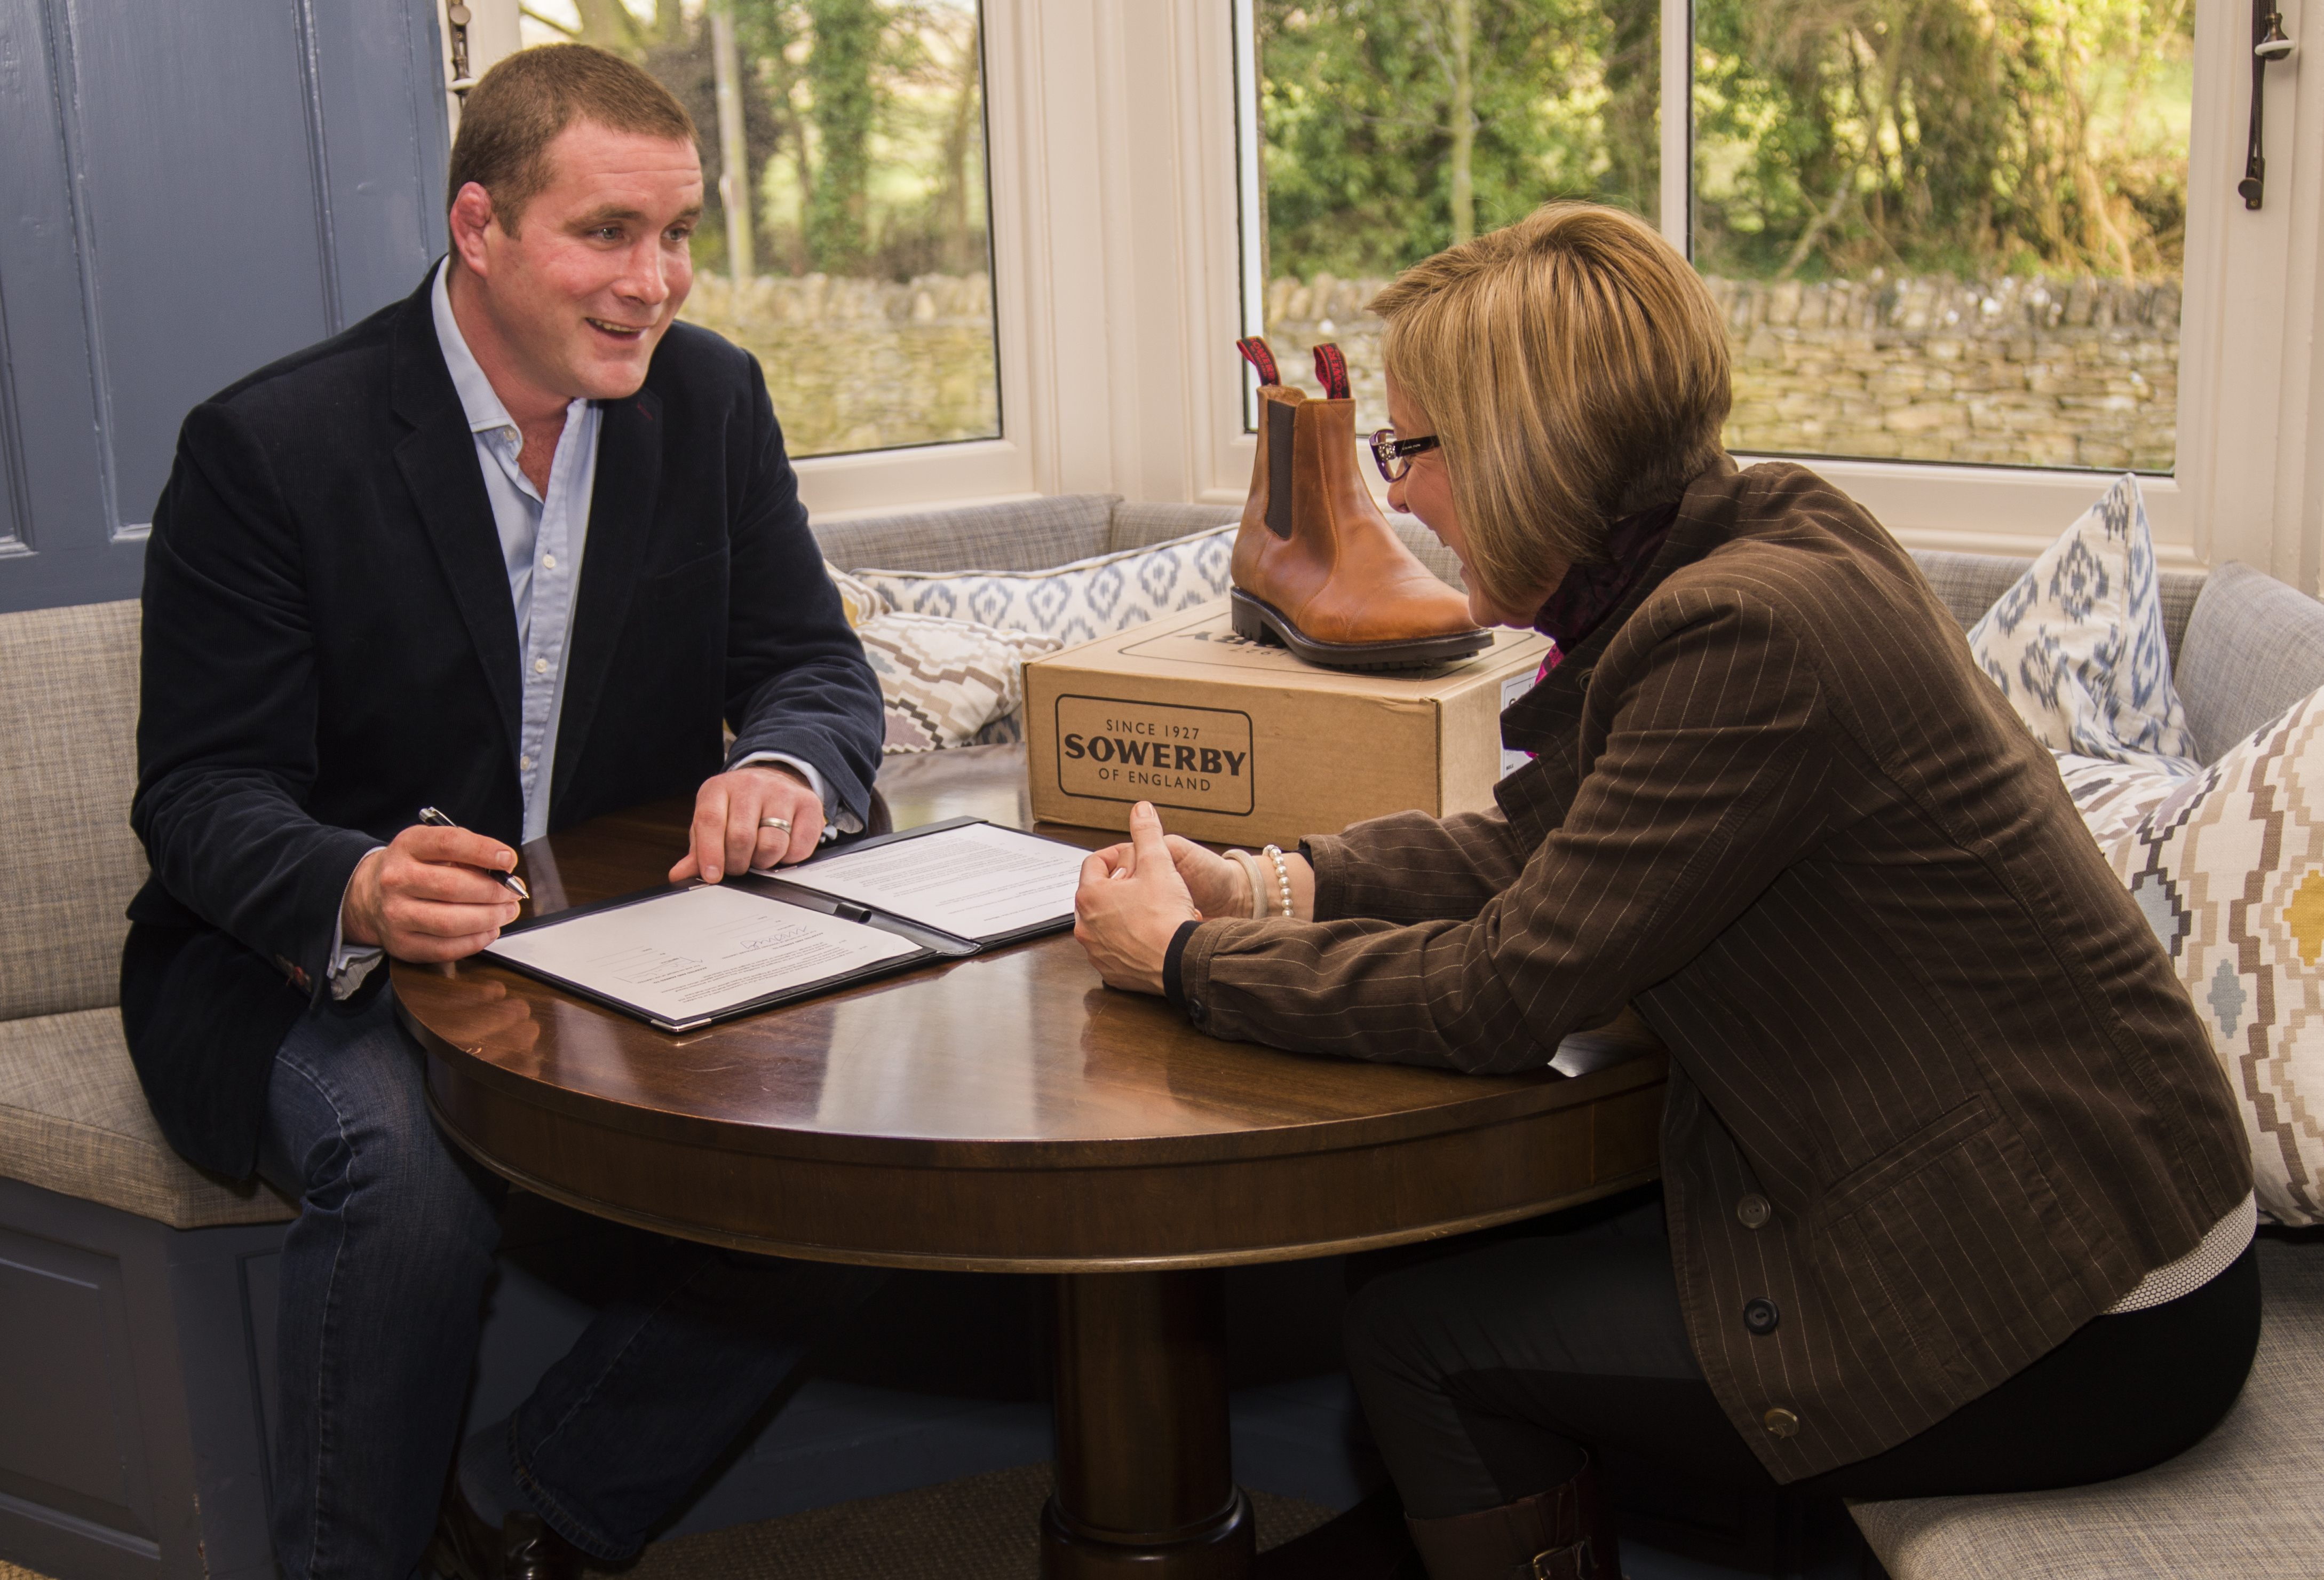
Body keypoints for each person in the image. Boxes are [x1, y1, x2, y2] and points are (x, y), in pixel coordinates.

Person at [1072, 202, 2257, 1580]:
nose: (1396, 495)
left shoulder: (1737, 637)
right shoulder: (1761, 541)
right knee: (1430, 1282)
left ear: (1520, 453)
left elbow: (1501, 990)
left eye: (1411, 451)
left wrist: (1180, 963)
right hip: (2082, 1211)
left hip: (2077, 1298)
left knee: (1422, 1337)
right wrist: (1270, 885)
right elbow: (1549, 850)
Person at [123, 43, 887, 1580]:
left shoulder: (715, 403)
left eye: (677, 233)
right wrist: (353, 886)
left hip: (620, 947)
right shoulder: (270, 445)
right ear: (478, 227)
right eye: (606, 232)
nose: (654, 280)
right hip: (301, 967)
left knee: (863, 1156)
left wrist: (780, 767)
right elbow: (200, 793)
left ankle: (538, 1499)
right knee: (409, 1172)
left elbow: (810, 666)